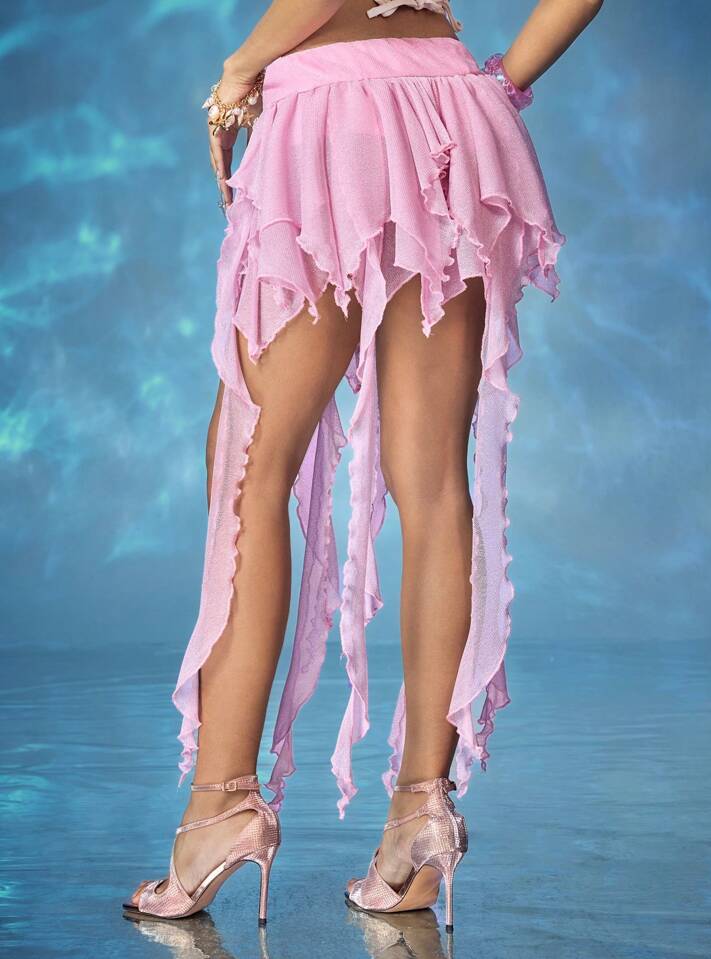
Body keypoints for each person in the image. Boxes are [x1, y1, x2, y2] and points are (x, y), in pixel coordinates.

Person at [124, 0, 603, 929]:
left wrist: (238, 72)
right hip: (452, 116)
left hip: (333, 119)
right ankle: (420, 814)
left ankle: (222, 805)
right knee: (435, 485)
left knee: (249, 465)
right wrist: (500, 85)